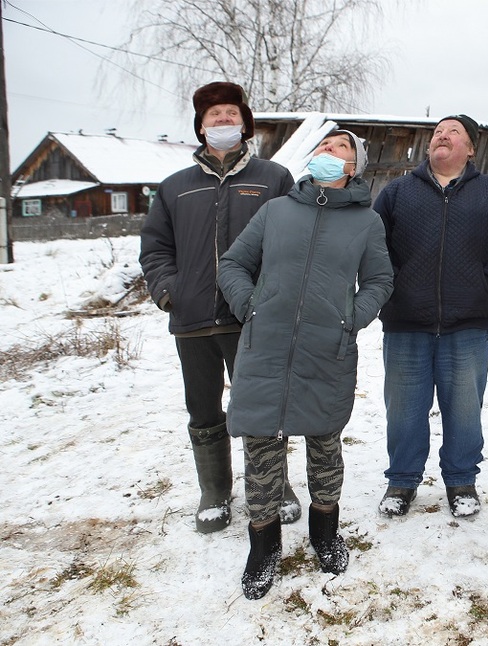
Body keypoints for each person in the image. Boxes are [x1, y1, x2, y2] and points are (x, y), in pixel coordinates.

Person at [218, 129, 394, 600]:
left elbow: (380, 279)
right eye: (323, 145)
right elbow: (232, 264)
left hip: (326, 348)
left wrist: (350, 318)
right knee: (260, 447)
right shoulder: (276, 210)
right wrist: (249, 306)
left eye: (339, 147)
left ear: (353, 166)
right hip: (266, 345)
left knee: (324, 443)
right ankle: (263, 548)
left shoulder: (366, 222)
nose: (327, 150)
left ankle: (325, 533)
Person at [140, 81, 300, 535]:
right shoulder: (175, 187)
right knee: (203, 410)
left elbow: (291, 242)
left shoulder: (273, 178)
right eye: (215, 115)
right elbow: (155, 247)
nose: (223, 120)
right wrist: (169, 291)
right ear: (201, 127)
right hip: (192, 320)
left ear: (245, 124)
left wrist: (272, 297)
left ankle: (273, 486)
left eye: (232, 113)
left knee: (262, 407)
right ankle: (214, 492)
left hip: (252, 318)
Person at [373, 114, 488, 518]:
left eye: (452, 132)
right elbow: (375, 244)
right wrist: (394, 286)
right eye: (437, 132)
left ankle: (462, 481)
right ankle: (402, 481)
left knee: (464, 408)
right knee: (404, 409)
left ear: (470, 148)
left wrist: (487, 283)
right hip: (406, 320)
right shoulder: (398, 192)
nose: (442, 136)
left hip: (468, 322)